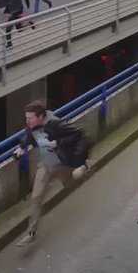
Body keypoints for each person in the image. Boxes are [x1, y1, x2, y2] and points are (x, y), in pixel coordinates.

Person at [14, 101, 89, 247]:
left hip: (62, 162)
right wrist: (21, 147)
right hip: (46, 165)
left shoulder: (56, 124)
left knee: (71, 182)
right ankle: (31, 233)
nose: (27, 121)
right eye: (26, 118)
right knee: (36, 198)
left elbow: (79, 134)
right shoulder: (32, 125)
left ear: (41, 116)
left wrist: (58, 142)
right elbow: (28, 135)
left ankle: (85, 167)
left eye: (30, 118)